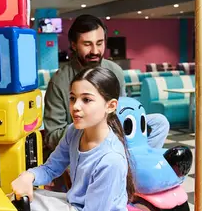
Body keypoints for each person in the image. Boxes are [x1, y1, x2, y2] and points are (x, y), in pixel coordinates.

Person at [11, 67, 135, 211]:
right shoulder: (74, 132)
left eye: (87, 100)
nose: (76, 107)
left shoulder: (111, 160)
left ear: (111, 106)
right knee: (19, 203)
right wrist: (29, 176)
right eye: (73, 98)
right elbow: (51, 168)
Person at [43, 14, 170, 154]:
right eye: (87, 44)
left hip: (114, 132)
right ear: (74, 45)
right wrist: (90, 127)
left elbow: (121, 111)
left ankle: (137, 162)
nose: (95, 51)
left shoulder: (115, 71)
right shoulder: (59, 82)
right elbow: (52, 137)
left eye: (99, 43)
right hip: (82, 143)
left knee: (159, 122)